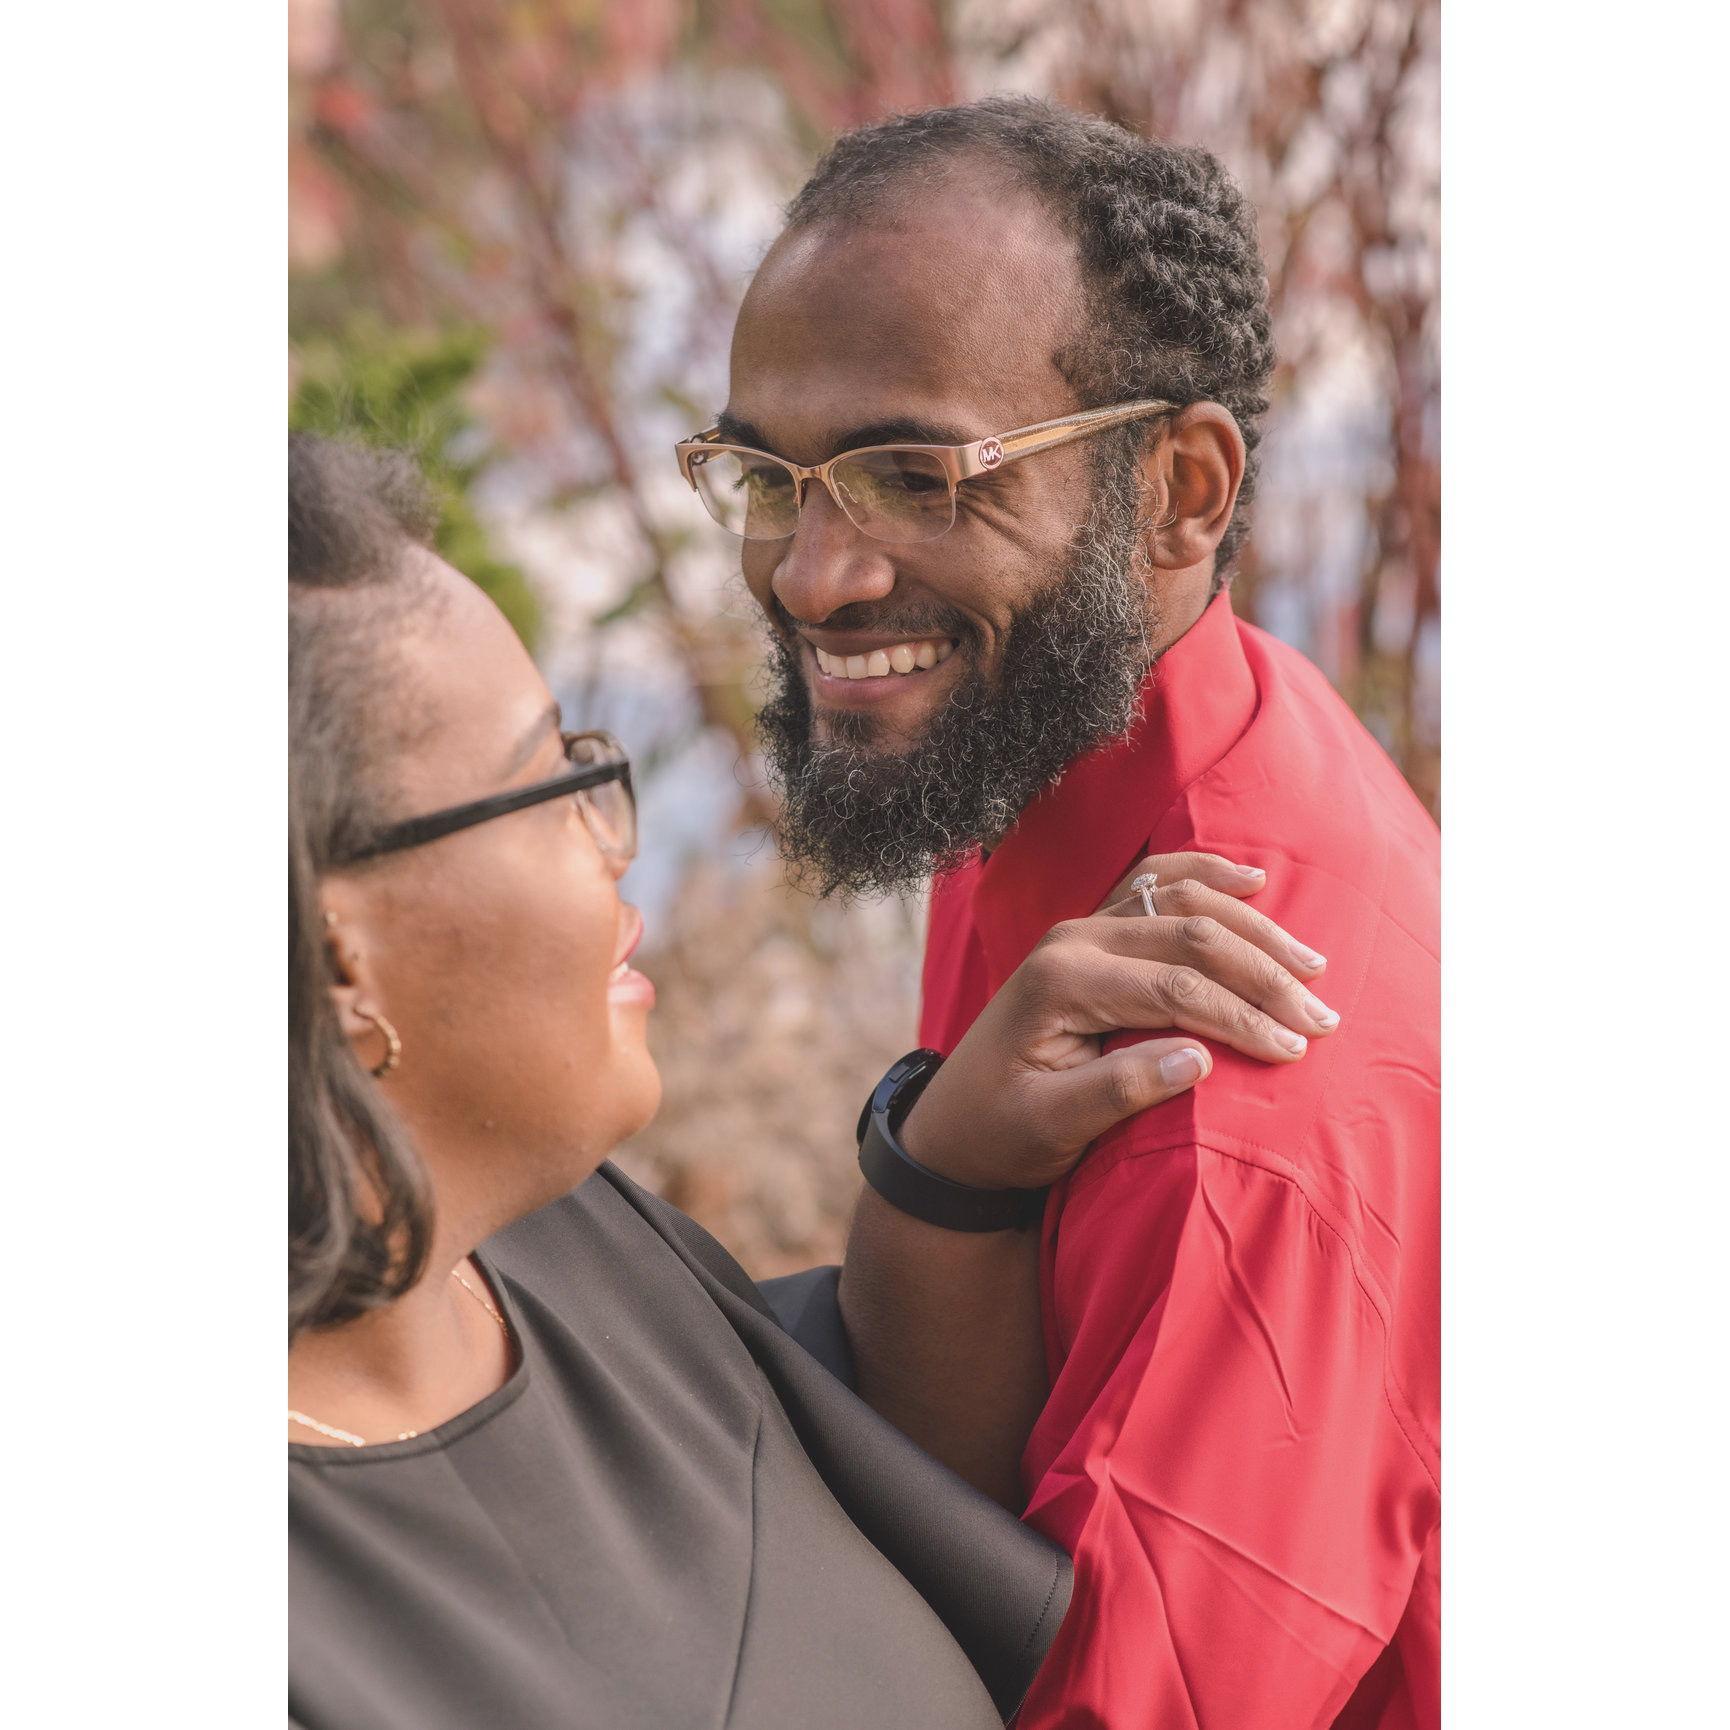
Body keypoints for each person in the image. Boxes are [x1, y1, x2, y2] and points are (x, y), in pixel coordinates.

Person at [287, 432, 1337, 1729]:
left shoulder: (564, 1244)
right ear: (339, 950)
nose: (611, 838)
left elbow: (871, 1463)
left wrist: (946, 1170)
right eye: (550, 781)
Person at [677, 96, 1440, 1728]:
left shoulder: (1230, 1090)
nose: (812, 573)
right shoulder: (1060, 729)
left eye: (913, 473)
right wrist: (939, 1164)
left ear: (1178, 490)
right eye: (765, 472)